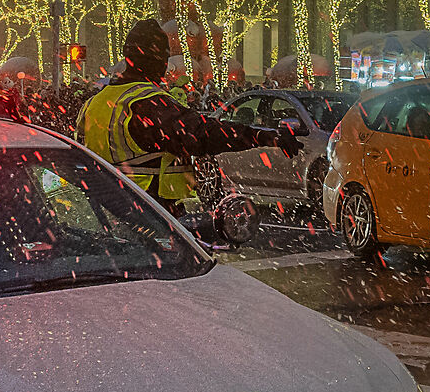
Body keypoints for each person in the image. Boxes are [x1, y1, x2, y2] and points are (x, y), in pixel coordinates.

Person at [76, 19, 304, 250]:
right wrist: (262, 136)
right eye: (164, 58)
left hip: (103, 220)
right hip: (150, 219)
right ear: (158, 61)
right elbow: (203, 134)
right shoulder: (148, 103)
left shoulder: (94, 104)